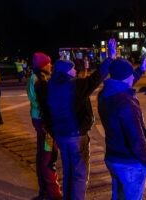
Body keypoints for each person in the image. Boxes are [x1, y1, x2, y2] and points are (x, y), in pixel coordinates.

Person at [46, 39, 116, 200]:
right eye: (72, 69)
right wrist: (110, 57)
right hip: (76, 135)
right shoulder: (74, 85)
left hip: (61, 136)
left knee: (69, 172)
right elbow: (95, 79)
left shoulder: (52, 85)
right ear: (66, 71)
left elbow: (48, 112)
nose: (75, 71)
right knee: (79, 175)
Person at [98, 56, 146, 200]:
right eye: (131, 75)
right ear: (126, 77)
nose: (132, 78)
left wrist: (141, 70)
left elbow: (125, 82)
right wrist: (145, 160)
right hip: (129, 163)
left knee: (118, 197)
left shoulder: (106, 94)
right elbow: (136, 138)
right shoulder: (126, 103)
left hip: (113, 158)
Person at [27, 53, 61, 200]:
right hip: (45, 123)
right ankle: (53, 193)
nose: (50, 65)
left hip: (38, 120)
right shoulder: (40, 81)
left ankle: (44, 190)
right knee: (49, 157)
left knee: (42, 155)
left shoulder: (34, 78)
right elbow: (47, 105)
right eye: (48, 63)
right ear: (42, 65)